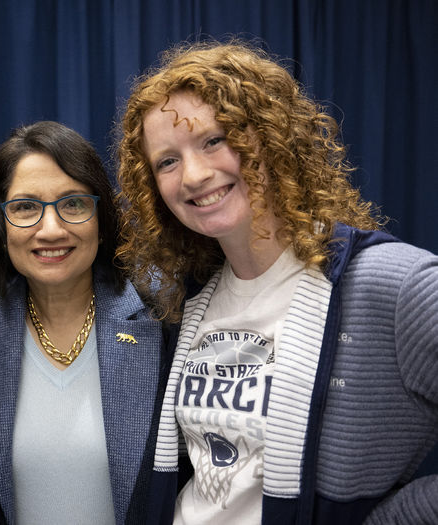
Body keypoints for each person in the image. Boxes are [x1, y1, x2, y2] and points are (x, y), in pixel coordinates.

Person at [115, 41, 438, 524]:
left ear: (270, 136)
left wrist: (402, 515)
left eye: (214, 140)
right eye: (167, 161)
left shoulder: (395, 285)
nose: (195, 175)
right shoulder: (192, 300)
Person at [0, 120, 169, 525]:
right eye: (25, 207)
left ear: (101, 219)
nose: (50, 229)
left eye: (72, 203)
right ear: (1, 225)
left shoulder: (160, 308)